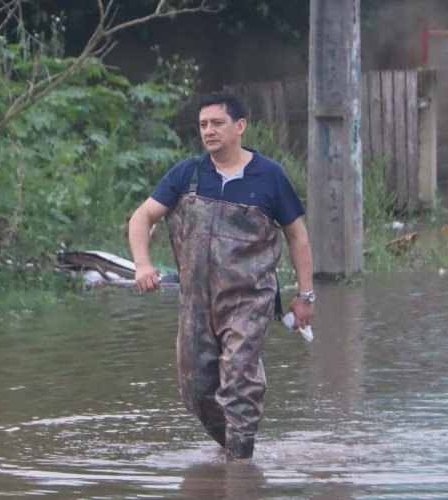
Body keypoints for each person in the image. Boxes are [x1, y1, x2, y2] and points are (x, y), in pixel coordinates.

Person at [128, 91, 315, 460]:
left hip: (249, 300)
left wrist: (305, 296)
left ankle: (240, 474)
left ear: (240, 126)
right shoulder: (188, 174)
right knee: (195, 391)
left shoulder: (269, 175)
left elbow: (297, 235)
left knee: (240, 385)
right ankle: (236, 450)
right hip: (195, 304)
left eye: (217, 123)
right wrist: (142, 263)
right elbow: (142, 216)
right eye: (203, 125)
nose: (209, 131)